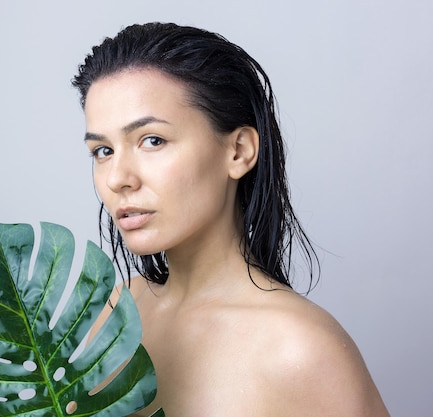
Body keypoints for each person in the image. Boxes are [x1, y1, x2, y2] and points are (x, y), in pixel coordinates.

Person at [73, 22, 390, 416]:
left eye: (152, 140)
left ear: (238, 151)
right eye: (102, 150)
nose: (118, 178)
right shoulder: (118, 309)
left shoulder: (299, 350)